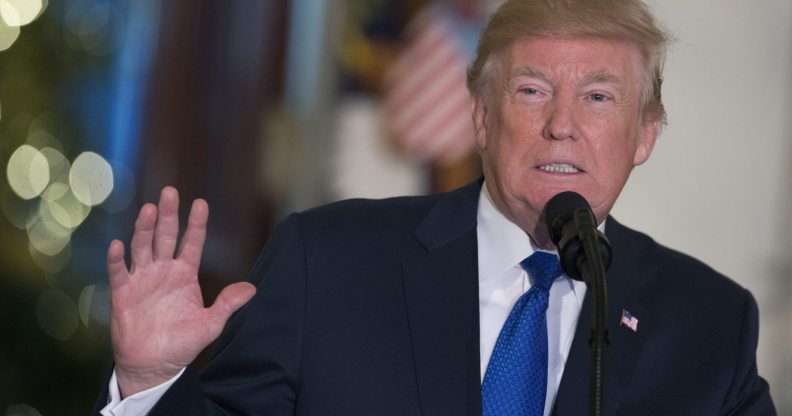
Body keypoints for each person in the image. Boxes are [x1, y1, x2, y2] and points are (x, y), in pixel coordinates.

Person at [95, 0, 776, 414]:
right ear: (481, 115)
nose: (562, 125)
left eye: (598, 97)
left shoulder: (709, 324)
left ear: (644, 135)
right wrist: (151, 384)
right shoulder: (328, 263)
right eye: (533, 91)